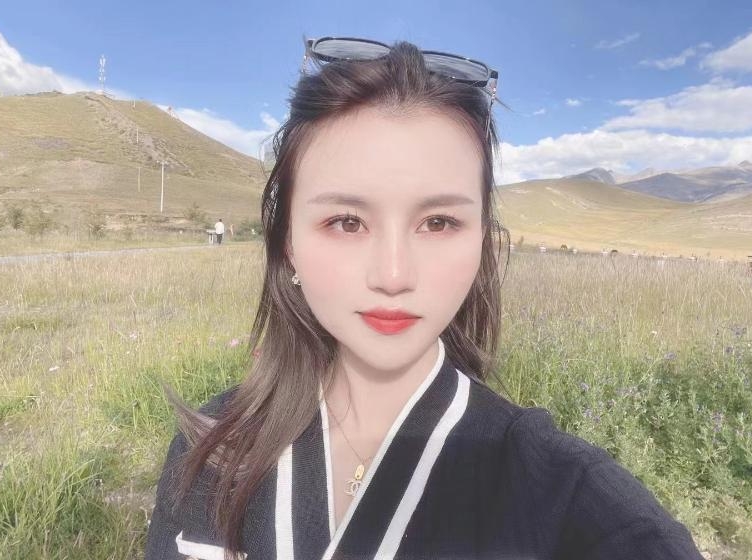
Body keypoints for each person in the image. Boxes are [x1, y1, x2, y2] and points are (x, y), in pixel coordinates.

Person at [146, 38, 704, 560]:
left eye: (438, 222)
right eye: (346, 221)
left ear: (481, 240)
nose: (394, 275)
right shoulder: (211, 446)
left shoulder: (564, 491)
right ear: (288, 242)